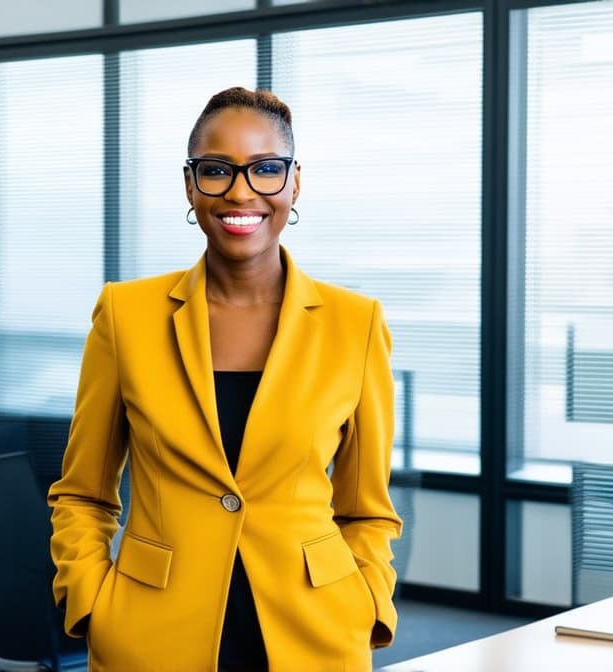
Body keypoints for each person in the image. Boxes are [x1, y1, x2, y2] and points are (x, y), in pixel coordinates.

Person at [48, 86, 402, 672]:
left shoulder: (354, 324)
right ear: (191, 186)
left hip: (315, 633)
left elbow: (367, 509)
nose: (241, 192)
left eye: (266, 169)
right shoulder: (125, 315)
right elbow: (82, 492)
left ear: (294, 184)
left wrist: (368, 604)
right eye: (217, 171)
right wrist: (90, 603)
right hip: (152, 632)